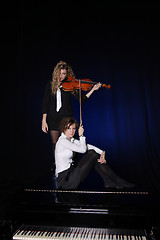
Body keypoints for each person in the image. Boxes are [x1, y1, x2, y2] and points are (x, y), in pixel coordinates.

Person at [41, 61, 101, 165]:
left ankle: (71, 166)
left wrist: (93, 90)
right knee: (55, 143)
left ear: (67, 74)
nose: (61, 76)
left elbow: (81, 99)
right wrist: (44, 120)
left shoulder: (70, 85)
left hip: (66, 119)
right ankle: (58, 166)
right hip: (53, 118)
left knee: (70, 143)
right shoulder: (50, 85)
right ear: (55, 73)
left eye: (63, 73)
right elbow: (45, 103)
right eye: (59, 73)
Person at [55, 117, 135, 190]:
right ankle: (116, 180)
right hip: (65, 180)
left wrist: (102, 152)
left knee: (92, 153)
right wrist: (81, 135)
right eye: (68, 128)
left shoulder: (70, 140)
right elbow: (83, 150)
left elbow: (87, 146)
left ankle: (109, 181)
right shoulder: (62, 141)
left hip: (71, 173)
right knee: (92, 154)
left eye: (74, 128)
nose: (72, 131)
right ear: (63, 129)